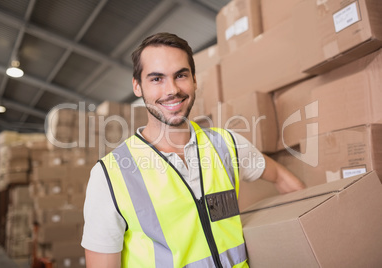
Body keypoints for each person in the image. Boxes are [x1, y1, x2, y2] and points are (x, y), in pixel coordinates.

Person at [81, 32, 305, 268]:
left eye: (181, 75)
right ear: (137, 86)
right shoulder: (110, 175)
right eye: (157, 79)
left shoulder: (226, 145)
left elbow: (280, 176)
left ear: (195, 80)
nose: (172, 89)